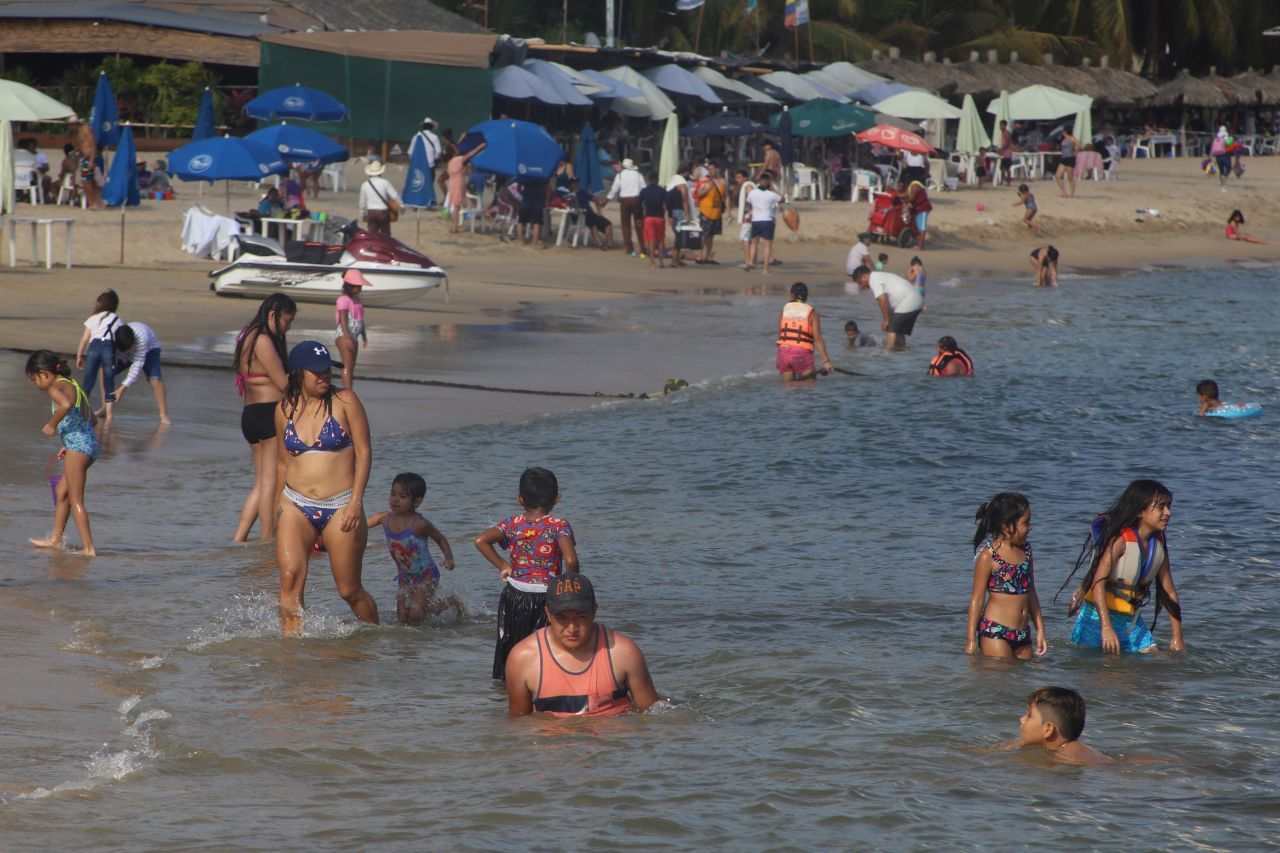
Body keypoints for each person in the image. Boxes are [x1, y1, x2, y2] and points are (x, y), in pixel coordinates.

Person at [275, 341, 378, 636]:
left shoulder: (346, 401)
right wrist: (277, 512)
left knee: (349, 590)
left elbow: (365, 452)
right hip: (295, 504)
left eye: (327, 372)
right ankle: (292, 655)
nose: (324, 378)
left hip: (341, 505)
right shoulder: (284, 410)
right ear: (298, 374)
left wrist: (356, 503)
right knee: (290, 580)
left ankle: (376, 640)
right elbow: (283, 465)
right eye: (316, 373)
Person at [474, 467, 579, 680]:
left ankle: (509, 686)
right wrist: (570, 588)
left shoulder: (512, 523)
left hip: (514, 594)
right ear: (557, 498)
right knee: (545, 650)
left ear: (520, 499)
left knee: (512, 646)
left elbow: (481, 540)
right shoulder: (559, 526)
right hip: (545, 596)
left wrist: (503, 565)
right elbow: (571, 560)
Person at [505, 573, 658, 717]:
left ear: (594, 611)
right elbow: (520, 726)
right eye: (562, 618)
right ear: (548, 614)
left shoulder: (623, 652)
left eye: (581, 616)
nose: (572, 628)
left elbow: (652, 715)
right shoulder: (522, 659)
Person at [1059, 479, 1184, 654]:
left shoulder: (1158, 547)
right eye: (1161, 507)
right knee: (1107, 673)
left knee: (1157, 660)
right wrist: (1106, 628)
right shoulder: (1120, 542)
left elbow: (1169, 592)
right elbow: (1098, 584)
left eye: (1168, 507)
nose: (1168, 513)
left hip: (1132, 623)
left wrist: (1177, 637)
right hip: (1096, 620)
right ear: (1141, 511)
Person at [233, 294, 295, 542]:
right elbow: (282, 383)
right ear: (273, 315)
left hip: (250, 415)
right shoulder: (262, 340)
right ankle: (267, 540)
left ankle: (238, 539)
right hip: (268, 414)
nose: (287, 327)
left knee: (261, 483)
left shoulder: (245, 335)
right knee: (270, 482)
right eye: (287, 321)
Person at [26, 351, 98, 557]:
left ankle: (89, 548)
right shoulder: (74, 385)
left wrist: (51, 425)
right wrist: (70, 441)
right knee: (62, 492)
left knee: (76, 499)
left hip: (79, 447)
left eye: (34, 379)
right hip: (88, 445)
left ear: (44, 373)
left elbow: (65, 405)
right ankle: (56, 539)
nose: (36, 384)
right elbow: (93, 420)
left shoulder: (55, 386)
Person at [367, 472, 464, 624]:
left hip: (427, 574)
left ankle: (450, 602)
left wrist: (449, 558)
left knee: (416, 615)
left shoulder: (419, 524)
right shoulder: (384, 518)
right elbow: (360, 525)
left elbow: (440, 538)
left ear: (417, 502)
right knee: (401, 617)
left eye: (403, 496)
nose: (395, 499)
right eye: (393, 494)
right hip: (404, 576)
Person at [965, 492, 1045, 659]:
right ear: (1007, 526)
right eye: (1026, 523)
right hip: (995, 631)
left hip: (1023, 634)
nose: (1030, 527)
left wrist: (1041, 630)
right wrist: (971, 640)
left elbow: (1031, 592)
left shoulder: (1026, 551)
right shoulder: (989, 555)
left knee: (1023, 678)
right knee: (1002, 678)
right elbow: (977, 599)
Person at [995, 687, 1110, 766]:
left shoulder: (1069, 755)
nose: (1021, 719)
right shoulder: (1051, 747)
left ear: (1048, 729)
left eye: (1029, 715)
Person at [109, 322, 170, 424]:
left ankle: (163, 415)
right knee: (108, 374)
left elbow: (136, 367)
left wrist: (121, 389)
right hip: (124, 349)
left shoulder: (142, 337)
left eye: (130, 349)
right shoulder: (114, 338)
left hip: (150, 349)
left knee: (156, 380)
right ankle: (106, 409)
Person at [850, 266, 924, 351]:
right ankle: (902, 353)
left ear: (864, 277)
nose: (861, 286)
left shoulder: (874, 279)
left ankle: (887, 355)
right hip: (916, 300)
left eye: (860, 283)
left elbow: (882, 299)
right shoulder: (879, 276)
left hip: (909, 300)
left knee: (891, 329)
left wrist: (886, 320)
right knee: (899, 331)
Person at [75, 289, 120, 424]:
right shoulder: (117, 319)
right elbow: (119, 338)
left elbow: (84, 339)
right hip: (109, 348)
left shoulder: (93, 318)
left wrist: (79, 356)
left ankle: (81, 411)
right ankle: (110, 415)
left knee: (88, 381)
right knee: (109, 381)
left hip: (94, 347)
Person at [775, 282, 834, 381]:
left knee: (788, 388)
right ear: (806, 296)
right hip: (801, 354)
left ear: (791, 295)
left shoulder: (784, 309)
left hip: (783, 353)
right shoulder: (812, 313)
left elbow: (780, 333)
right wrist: (826, 361)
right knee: (809, 386)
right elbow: (817, 338)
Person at [333, 268, 369, 391]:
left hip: (354, 336)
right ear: (349, 286)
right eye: (357, 286)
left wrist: (364, 337)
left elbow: (361, 320)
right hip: (344, 335)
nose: (359, 289)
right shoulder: (343, 299)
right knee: (347, 365)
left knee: (352, 365)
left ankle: (349, 391)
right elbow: (343, 319)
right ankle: (348, 393)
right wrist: (347, 337)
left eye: (360, 286)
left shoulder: (358, 301)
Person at [604, 158, 644, 256]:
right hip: (636, 200)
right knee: (639, 224)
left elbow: (614, 189)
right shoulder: (638, 174)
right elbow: (644, 188)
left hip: (625, 201)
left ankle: (630, 249)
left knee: (626, 225)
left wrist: (607, 199)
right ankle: (643, 248)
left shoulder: (620, 175)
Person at [745, 172, 782, 274]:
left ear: (759, 181)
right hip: (767, 220)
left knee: (754, 243)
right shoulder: (771, 194)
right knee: (767, 246)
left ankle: (751, 262)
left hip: (756, 220)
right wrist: (773, 189)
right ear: (769, 183)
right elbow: (782, 199)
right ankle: (765, 269)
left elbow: (748, 204)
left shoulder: (752, 193)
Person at [447, 141, 486, 233]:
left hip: (452, 184)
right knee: (456, 208)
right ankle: (454, 228)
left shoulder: (450, 162)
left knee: (456, 207)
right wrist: (479, 147)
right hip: (458, 185)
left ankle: (454, 227)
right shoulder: (458, 160)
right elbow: (470, 155)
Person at [567, 177, 613, 249]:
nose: (576, 185)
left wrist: (599, 212)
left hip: (590, 214)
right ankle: (600, 244)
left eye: (577, 183)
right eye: (574, 183)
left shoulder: (583, 192)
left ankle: (610, 245)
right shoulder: (568, 195)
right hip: (578, 215)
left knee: (608, 224)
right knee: (593, 225)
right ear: (570, 185)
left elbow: (596, 200)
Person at [693, 161, 725, 264]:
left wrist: (728, 210)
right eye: (709, 169)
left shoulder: (722, 182)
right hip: (706, 211)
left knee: (711, 235)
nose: (710, 171)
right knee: (704, 234)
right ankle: (700, 255)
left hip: (716, 212)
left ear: (717, 170)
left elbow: (726, 197)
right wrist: (707, 189)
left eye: (712, 169)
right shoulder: (705, 181)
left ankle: (708, 256)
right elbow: (698, 193)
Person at [359, 161, 400, 236]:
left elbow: (362, 203)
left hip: (371, 212)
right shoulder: (385, 183)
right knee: (386, 235)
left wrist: (362, 214)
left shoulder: (365, 185)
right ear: (380, 172)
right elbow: (395, 196)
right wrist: (402, 205)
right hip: (383, 212)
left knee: (372, 235)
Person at [408, 117, 443, 204]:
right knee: (429, 184)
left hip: (418, 164)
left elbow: (410, 152)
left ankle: (417, 202)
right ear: (431, 127)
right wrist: (435, 158)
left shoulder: (416, 137)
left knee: (418, 184)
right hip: (430, 164)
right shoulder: (435, 137)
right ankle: (428, 202)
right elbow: (438, 152)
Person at [637, 172, 667, 269]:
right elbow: (666, 205)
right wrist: (669, 215)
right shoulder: (662, 191)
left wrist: (638, 218)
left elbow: (639, 206)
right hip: (660, 218)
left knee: (651, 240)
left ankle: (652, 262)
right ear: (657, 180)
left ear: (649, 180)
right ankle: (661, 262)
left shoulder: (644, 191)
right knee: (661, 240)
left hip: (649, 218)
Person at [665, 164, 693, 266]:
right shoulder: (682, 184)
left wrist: (669, 216)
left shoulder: (671, 184)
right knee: (680, 236)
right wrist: (687, 213)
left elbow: (667, 202)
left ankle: (676, 258)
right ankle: (674, 260)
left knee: (679, 235)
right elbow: (685, 200)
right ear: (685, 172)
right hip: (680, 211)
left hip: (672, 212)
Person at [734, 169, 757, 269]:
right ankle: (751, 260)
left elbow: (752, 200)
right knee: (750, 239)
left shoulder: (748, 185)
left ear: (745, 177)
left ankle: (748, 261)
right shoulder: (748, 185)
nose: (737, 180)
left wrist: (747, 213)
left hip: (749, 217)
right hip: (751, 216)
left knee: (746, 239)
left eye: (739, 177)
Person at [517, 176, 547, 246]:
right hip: (538, 201)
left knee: (521, 222)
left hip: (526, 201)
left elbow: (518, 188)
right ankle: (534, 242)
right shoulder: (543, 175)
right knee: (536, 223)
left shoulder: (527, 175)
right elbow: (547, 188)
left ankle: (520, 240)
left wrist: (523, 193)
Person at [905, 180, 932, 250]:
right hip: (918, 209)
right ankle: (918, 244)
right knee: (919, 227)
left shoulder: (914, 185)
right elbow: (906, 195)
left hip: (923, 208)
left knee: (922, 228)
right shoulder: (911, 187)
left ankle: (920, 246)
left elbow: (912, 198)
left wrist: (904, 201)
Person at [1054, 131, 1081, 198]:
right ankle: (1064, 192)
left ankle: (1072, 194)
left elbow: (1079, 145)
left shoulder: (1072, 138)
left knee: (1070, 177)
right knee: (1057, 176)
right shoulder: (1063, 139)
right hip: (1063, 159)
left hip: (1070, 158)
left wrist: (1075, 151)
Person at [997, 120, 1015, 184]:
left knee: (1007, 168)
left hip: (1007, 152)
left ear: (1005, 126)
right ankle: (1002, 181)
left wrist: (1002, 150)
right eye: (1000, 125)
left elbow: (1007, 143)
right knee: (1002, 168)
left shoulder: (1006, 133)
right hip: (1005, 152)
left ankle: (1008, 181)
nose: (1000, 127)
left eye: (1002, 125)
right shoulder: (1003, 133)